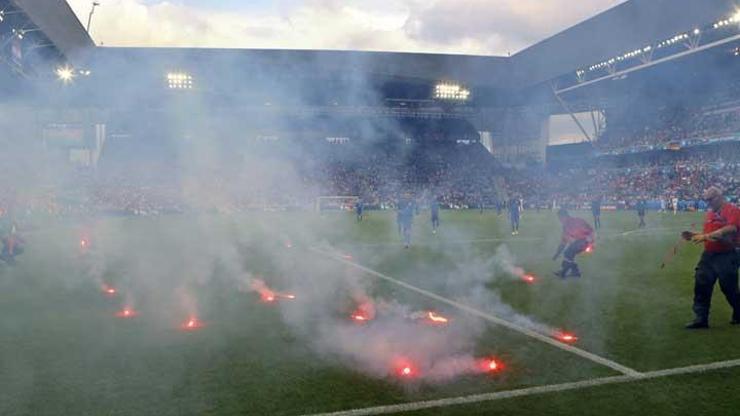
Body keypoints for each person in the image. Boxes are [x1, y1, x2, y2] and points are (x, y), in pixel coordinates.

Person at [684, 187, 740, 329]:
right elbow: (708, 233)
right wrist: (694, 234)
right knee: (701, 282)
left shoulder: (732, 210)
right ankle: (701, 318)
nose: (708, 203)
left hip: (727, 254)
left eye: (710, 199)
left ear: (719, 196)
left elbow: (731, 229)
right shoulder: (710, 214)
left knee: (729, 287)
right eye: (705, 200)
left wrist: (706, 236)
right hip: (709, 255)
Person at [552, 209, 594, 279]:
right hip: (580, 241)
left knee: (569, 252)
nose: (560, 220)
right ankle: (575, 272)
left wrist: (590, 241)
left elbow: (589, 230)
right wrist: (557, 253)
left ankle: (563, 272)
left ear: (564, 216)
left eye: (560, 218)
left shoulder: (575, 222)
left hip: (585, 241)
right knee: (567, 253)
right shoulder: (566, 226)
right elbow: (564, 241)